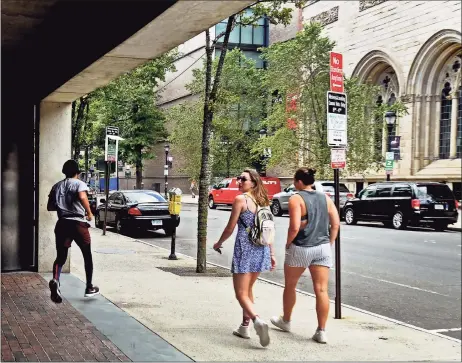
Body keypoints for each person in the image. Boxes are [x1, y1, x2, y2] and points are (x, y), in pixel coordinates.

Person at [270, 167, 339, 344]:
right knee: (322, 290)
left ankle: (286, 320)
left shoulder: (296, 198)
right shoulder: (325, 198)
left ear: (300, 182)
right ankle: (321, 331)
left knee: (290, 285)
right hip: (322, 248)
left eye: (294, 181)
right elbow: (336, 224)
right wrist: (328, 242)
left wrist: (287, 243)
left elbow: (294, 227)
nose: (294, 184)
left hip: (301, 246)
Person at [213, 169, 276, 347]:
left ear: (253, 183)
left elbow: (230, 227)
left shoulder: (241, 200)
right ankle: (244, 326)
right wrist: (271, 253)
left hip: (244, 248)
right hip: (261, 249)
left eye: (243, 179)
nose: (239, 181)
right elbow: (269, 229)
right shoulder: (263, 201)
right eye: (238, 178)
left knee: (240, 293)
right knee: (248, 290)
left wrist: (218, 243)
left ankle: (257, 321)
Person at [47, 159, 100, 303]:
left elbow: (50, 207)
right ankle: (89, 287)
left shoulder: (56, 186)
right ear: (78, 172)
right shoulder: (79, 183)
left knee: (61, 257)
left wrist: (62, 205)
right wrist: (89, 213)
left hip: (62, 223)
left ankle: (55, 280)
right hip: (77, 223)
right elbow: (82, 196)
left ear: (64, 172)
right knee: (87, 255)